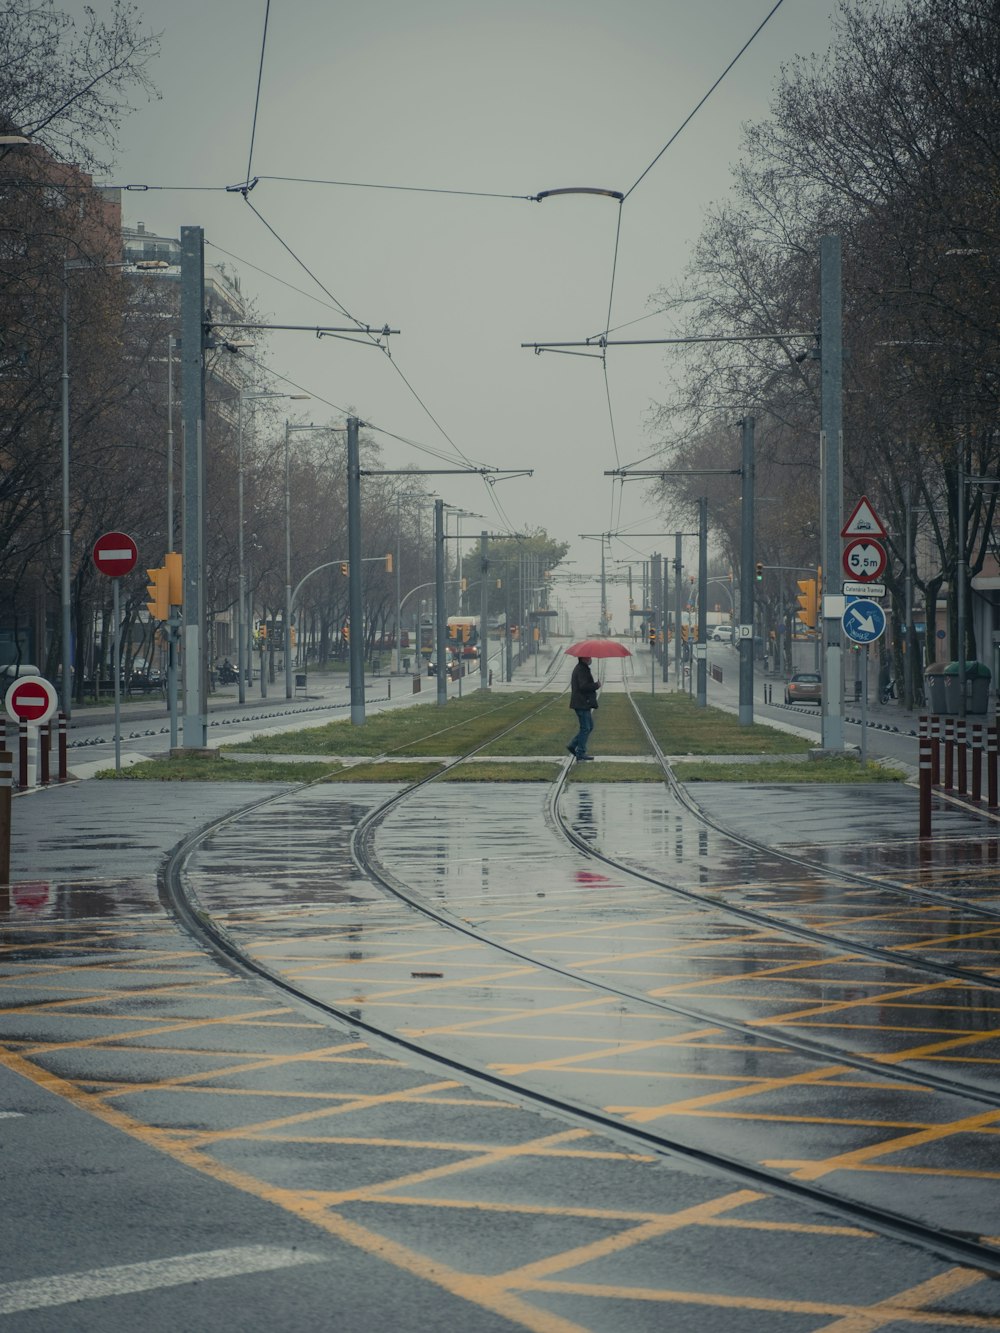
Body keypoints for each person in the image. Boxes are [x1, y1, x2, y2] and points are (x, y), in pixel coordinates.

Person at [567, 655, 601, 760]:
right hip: (581, 702)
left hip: (582, 702)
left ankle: (573, 745)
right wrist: (596, 685)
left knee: (589, 726)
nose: (590, 658)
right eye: (588, 657)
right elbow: (583, 686)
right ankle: (580, 752)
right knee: (586, 728)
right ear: (583, 658)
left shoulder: (582, 668)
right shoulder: (581, 669)